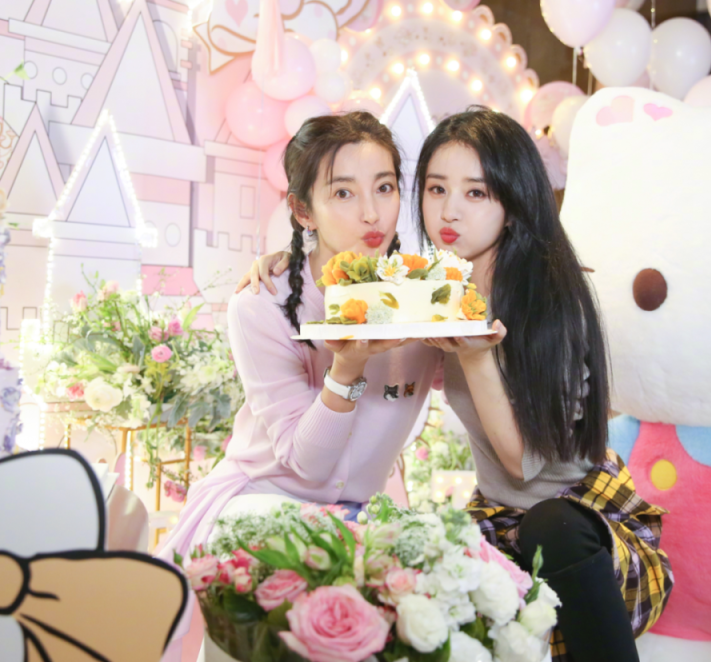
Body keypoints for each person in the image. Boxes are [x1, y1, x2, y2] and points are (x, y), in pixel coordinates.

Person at [241, 108, 673, 662]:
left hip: (580, 522)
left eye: (477, 193)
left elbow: (524, 466)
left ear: (513, 203)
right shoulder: (437, 292)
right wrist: (295, 258)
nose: (449, 211)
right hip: (497, 520)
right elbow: (360, 286)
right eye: (437, 188)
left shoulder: (548, 300)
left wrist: (476, 355)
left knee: (551, 526)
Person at [160, 111, 440, 569]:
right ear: (303, 211)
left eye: (385, 187)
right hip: (262, 509)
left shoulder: (428, 301)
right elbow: (307, 465)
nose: (372, 213)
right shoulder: (261, 304)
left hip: (355, 525)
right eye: (343, 192)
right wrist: (346, 370)